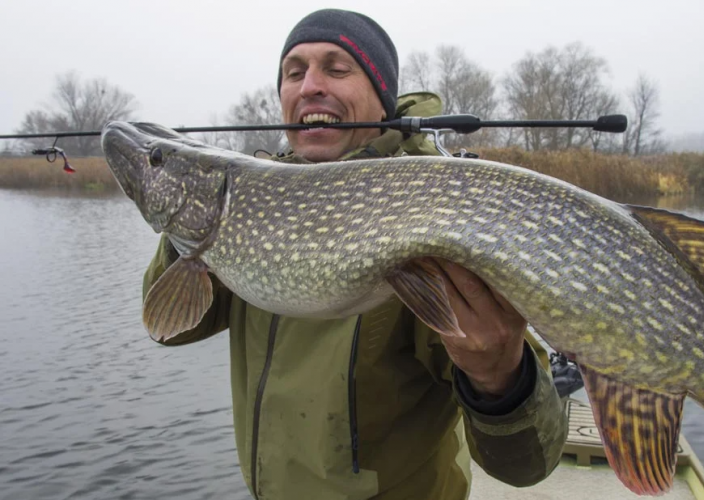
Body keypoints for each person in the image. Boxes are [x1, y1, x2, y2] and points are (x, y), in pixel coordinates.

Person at [143, 8, 568, 500]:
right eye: (294, 72)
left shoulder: (430, 208)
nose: (310, 87)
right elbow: (173, 326)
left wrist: (501, 380)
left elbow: (528, 463)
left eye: (337, 68)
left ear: (380, 96)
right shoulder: (255, 201)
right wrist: (188, 213)